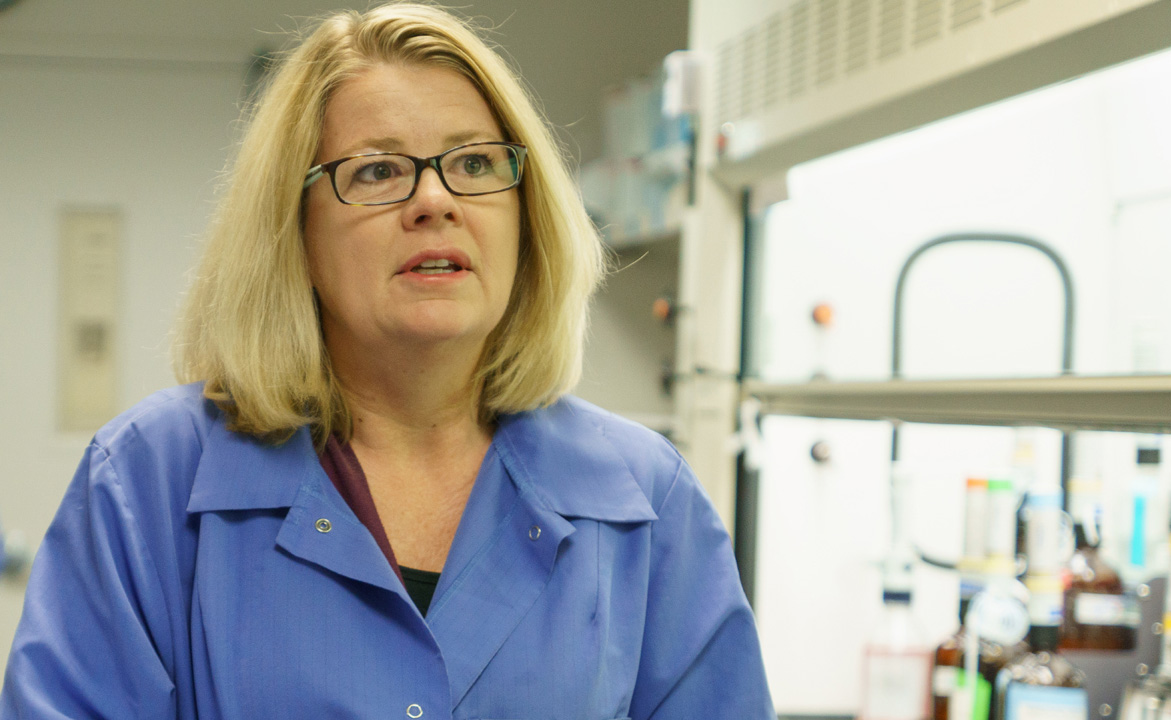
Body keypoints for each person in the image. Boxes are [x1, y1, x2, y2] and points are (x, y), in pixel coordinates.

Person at [0, 3, 775, 718]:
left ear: (525, 218)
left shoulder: (645, 499)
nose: (436, 200)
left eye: (474, 164)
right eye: (377, 170)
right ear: (293, 235)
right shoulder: (148, 483)